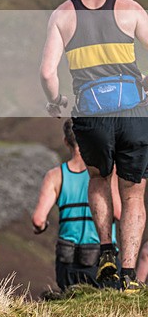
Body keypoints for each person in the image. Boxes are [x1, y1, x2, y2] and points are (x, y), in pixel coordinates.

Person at [39, 0, 148, 291]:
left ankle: (106, 252)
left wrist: (55, 101)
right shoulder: (130, 8)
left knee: (99, 179)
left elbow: (47, 73)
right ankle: (129, 275)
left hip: (91, 114)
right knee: (133, 193)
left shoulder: (62, 15)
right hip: (133, 113)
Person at [31, 119, 121, 291]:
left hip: (67, 259)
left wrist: (43, 226)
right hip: (100, 257)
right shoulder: (106, 171)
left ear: (66, 141)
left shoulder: (55, 176)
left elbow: (38, 219)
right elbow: (117, 212)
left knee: (70, 301)